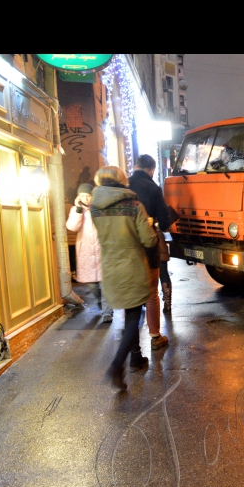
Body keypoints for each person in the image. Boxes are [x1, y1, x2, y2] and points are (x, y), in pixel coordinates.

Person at [90, 166, 158, 391]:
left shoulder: (95, 208)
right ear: (121, 180)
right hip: (132, 267)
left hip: (110, 267)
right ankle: (117, 365)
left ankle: (135, 358)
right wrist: (151, 227)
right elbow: (148, 241)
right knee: (133, 318)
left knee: (128, 315)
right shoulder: (134, 206)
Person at [129, 155, 176, 338]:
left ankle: (132, 343)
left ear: (135, 166)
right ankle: (155, 335)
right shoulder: (153, 188)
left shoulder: (124, 186)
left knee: (132, 291)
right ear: (152, 170)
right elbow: (164, 223)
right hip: (150, 242)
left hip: (128, 245)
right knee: (152, 289)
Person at [66, 184, 113, 323]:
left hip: (101, 250)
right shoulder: (76, 210)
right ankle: (100, 302)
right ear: (78, 197)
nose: (86, 198)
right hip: (86, 252)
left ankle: (107, 312)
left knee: (105, 285)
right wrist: (79, 210)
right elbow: (72, 227)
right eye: (82, 196)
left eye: (88, 195)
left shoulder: (100, 208)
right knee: (93, 286)